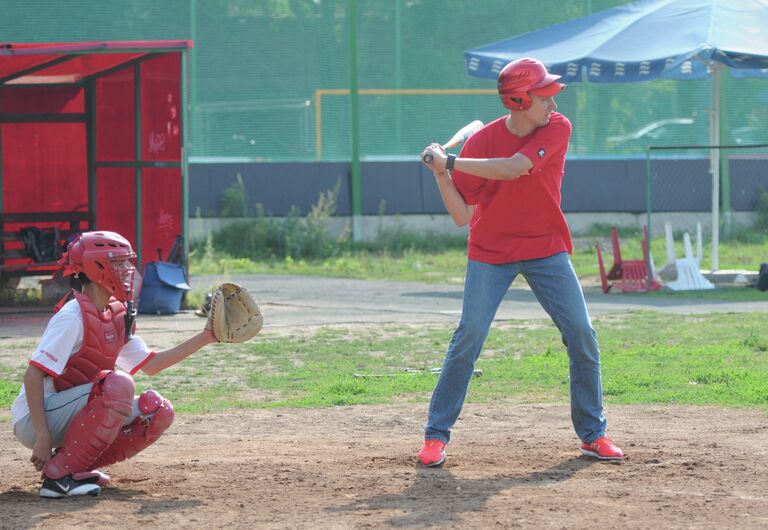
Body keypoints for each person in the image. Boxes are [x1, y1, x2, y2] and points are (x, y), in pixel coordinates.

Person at [418, 57, 624, 467]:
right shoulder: (481, 143)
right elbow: (462, 215)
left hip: (546, 248)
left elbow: (515, 168)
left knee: (581, 333)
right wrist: (441, 173)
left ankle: (592, 434)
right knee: (469, 336)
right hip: (492, 253)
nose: (552, 101)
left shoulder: (557, 128)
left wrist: (453, 162)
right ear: (518, 99)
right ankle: (435, 437)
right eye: (543, 94)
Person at [10, 231, 218, 498]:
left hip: (69, 412)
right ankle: (58, 479)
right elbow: (32, 376)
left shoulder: (115, 313)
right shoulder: (72, 316)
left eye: (126, 262)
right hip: (35, 419)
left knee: (156, 411)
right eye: (119, 263)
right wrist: (42, 436)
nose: (127, 270)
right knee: (117, 385)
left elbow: (152, 365)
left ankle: (73, 466)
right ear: (96, 268)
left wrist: (206, 336)